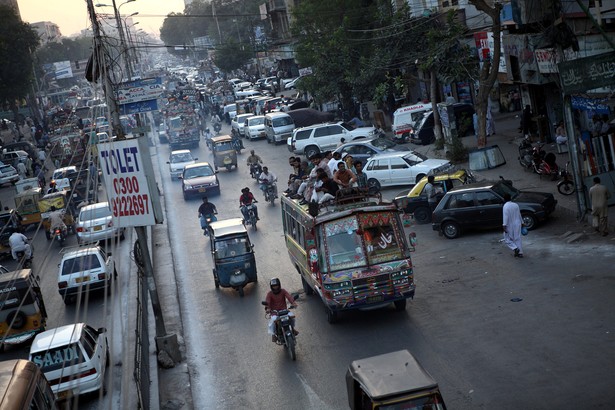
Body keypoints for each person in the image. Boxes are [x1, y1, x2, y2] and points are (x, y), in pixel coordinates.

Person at [265, 278, 298, 342]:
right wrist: (268, 308)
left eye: (276, 285)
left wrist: (293, 303)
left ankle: (293, 329)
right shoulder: (270, 294)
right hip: (275, 313)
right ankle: (273, 335)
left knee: (292, 317)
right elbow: (267, 301)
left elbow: (289, 297)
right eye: (274, 286)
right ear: (271, 287)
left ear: (279, 285)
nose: (275, 287)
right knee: (272, 322)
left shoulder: (283, 291)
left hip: (284, 311)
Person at [502, 193, 524, 257]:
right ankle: (520, 253)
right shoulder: (515, 205)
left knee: (507, 238)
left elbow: (505, 216)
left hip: (510, 225)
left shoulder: (505, 206)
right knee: (517, 238)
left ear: (504, 199)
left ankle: (515, 248)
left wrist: (504, 225)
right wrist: (522, 222)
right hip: (518, 223)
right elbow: (519, 214)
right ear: (510, 198)